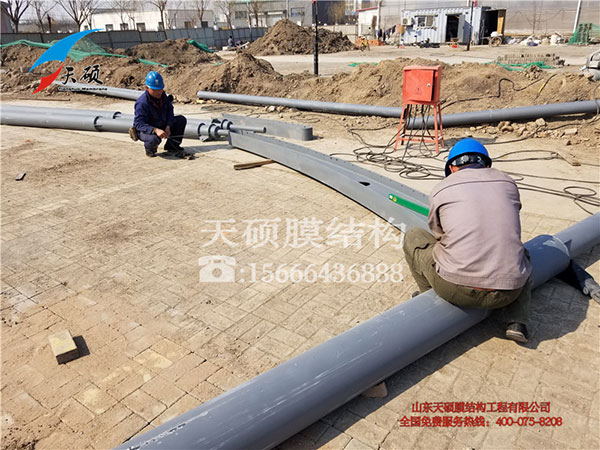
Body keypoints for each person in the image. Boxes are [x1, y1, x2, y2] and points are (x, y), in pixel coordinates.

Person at [403, 138, 532, 344]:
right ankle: (517, 321)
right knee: (521, 253)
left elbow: (438, 234)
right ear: (486, 164)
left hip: (455, 288)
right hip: (508, 293)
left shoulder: (441, 189)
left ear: (452, 168)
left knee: (413, 236)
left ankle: (429, 299)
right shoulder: (508, 182)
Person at [130, 71, 187, 158]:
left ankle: (172, 146)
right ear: (147, 88)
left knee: (181, 120)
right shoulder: (142, 103)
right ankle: (150, 150)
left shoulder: (163, 96)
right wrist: (155, 130)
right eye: (155, 90)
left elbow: (170, 110)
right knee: (154, 139)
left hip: (161, 123)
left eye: (160, 89)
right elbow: (139, 124)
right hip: (146, 130)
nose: (159, 92)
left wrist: (168, 126)